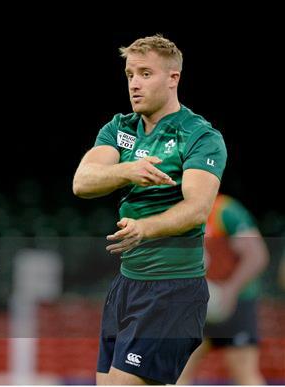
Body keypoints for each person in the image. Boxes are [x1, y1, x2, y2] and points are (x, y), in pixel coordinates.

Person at [72, 34, 227, 385]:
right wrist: (127, 170)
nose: (134, 84)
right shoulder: (120, 128)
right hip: (127, 285)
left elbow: (197, 209)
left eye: (145, 73)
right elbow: (82, 182)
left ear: (173, 78)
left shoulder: (200, 135)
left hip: (172, 289)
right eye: (130, 75)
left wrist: (145, 228)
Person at [177, 194, 269, 385]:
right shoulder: (176, 212)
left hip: (237, 301)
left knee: (245, 373)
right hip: (198, 303)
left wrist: (230, 290)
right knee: (176, 372)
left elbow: (257, 255)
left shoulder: (225, 210)